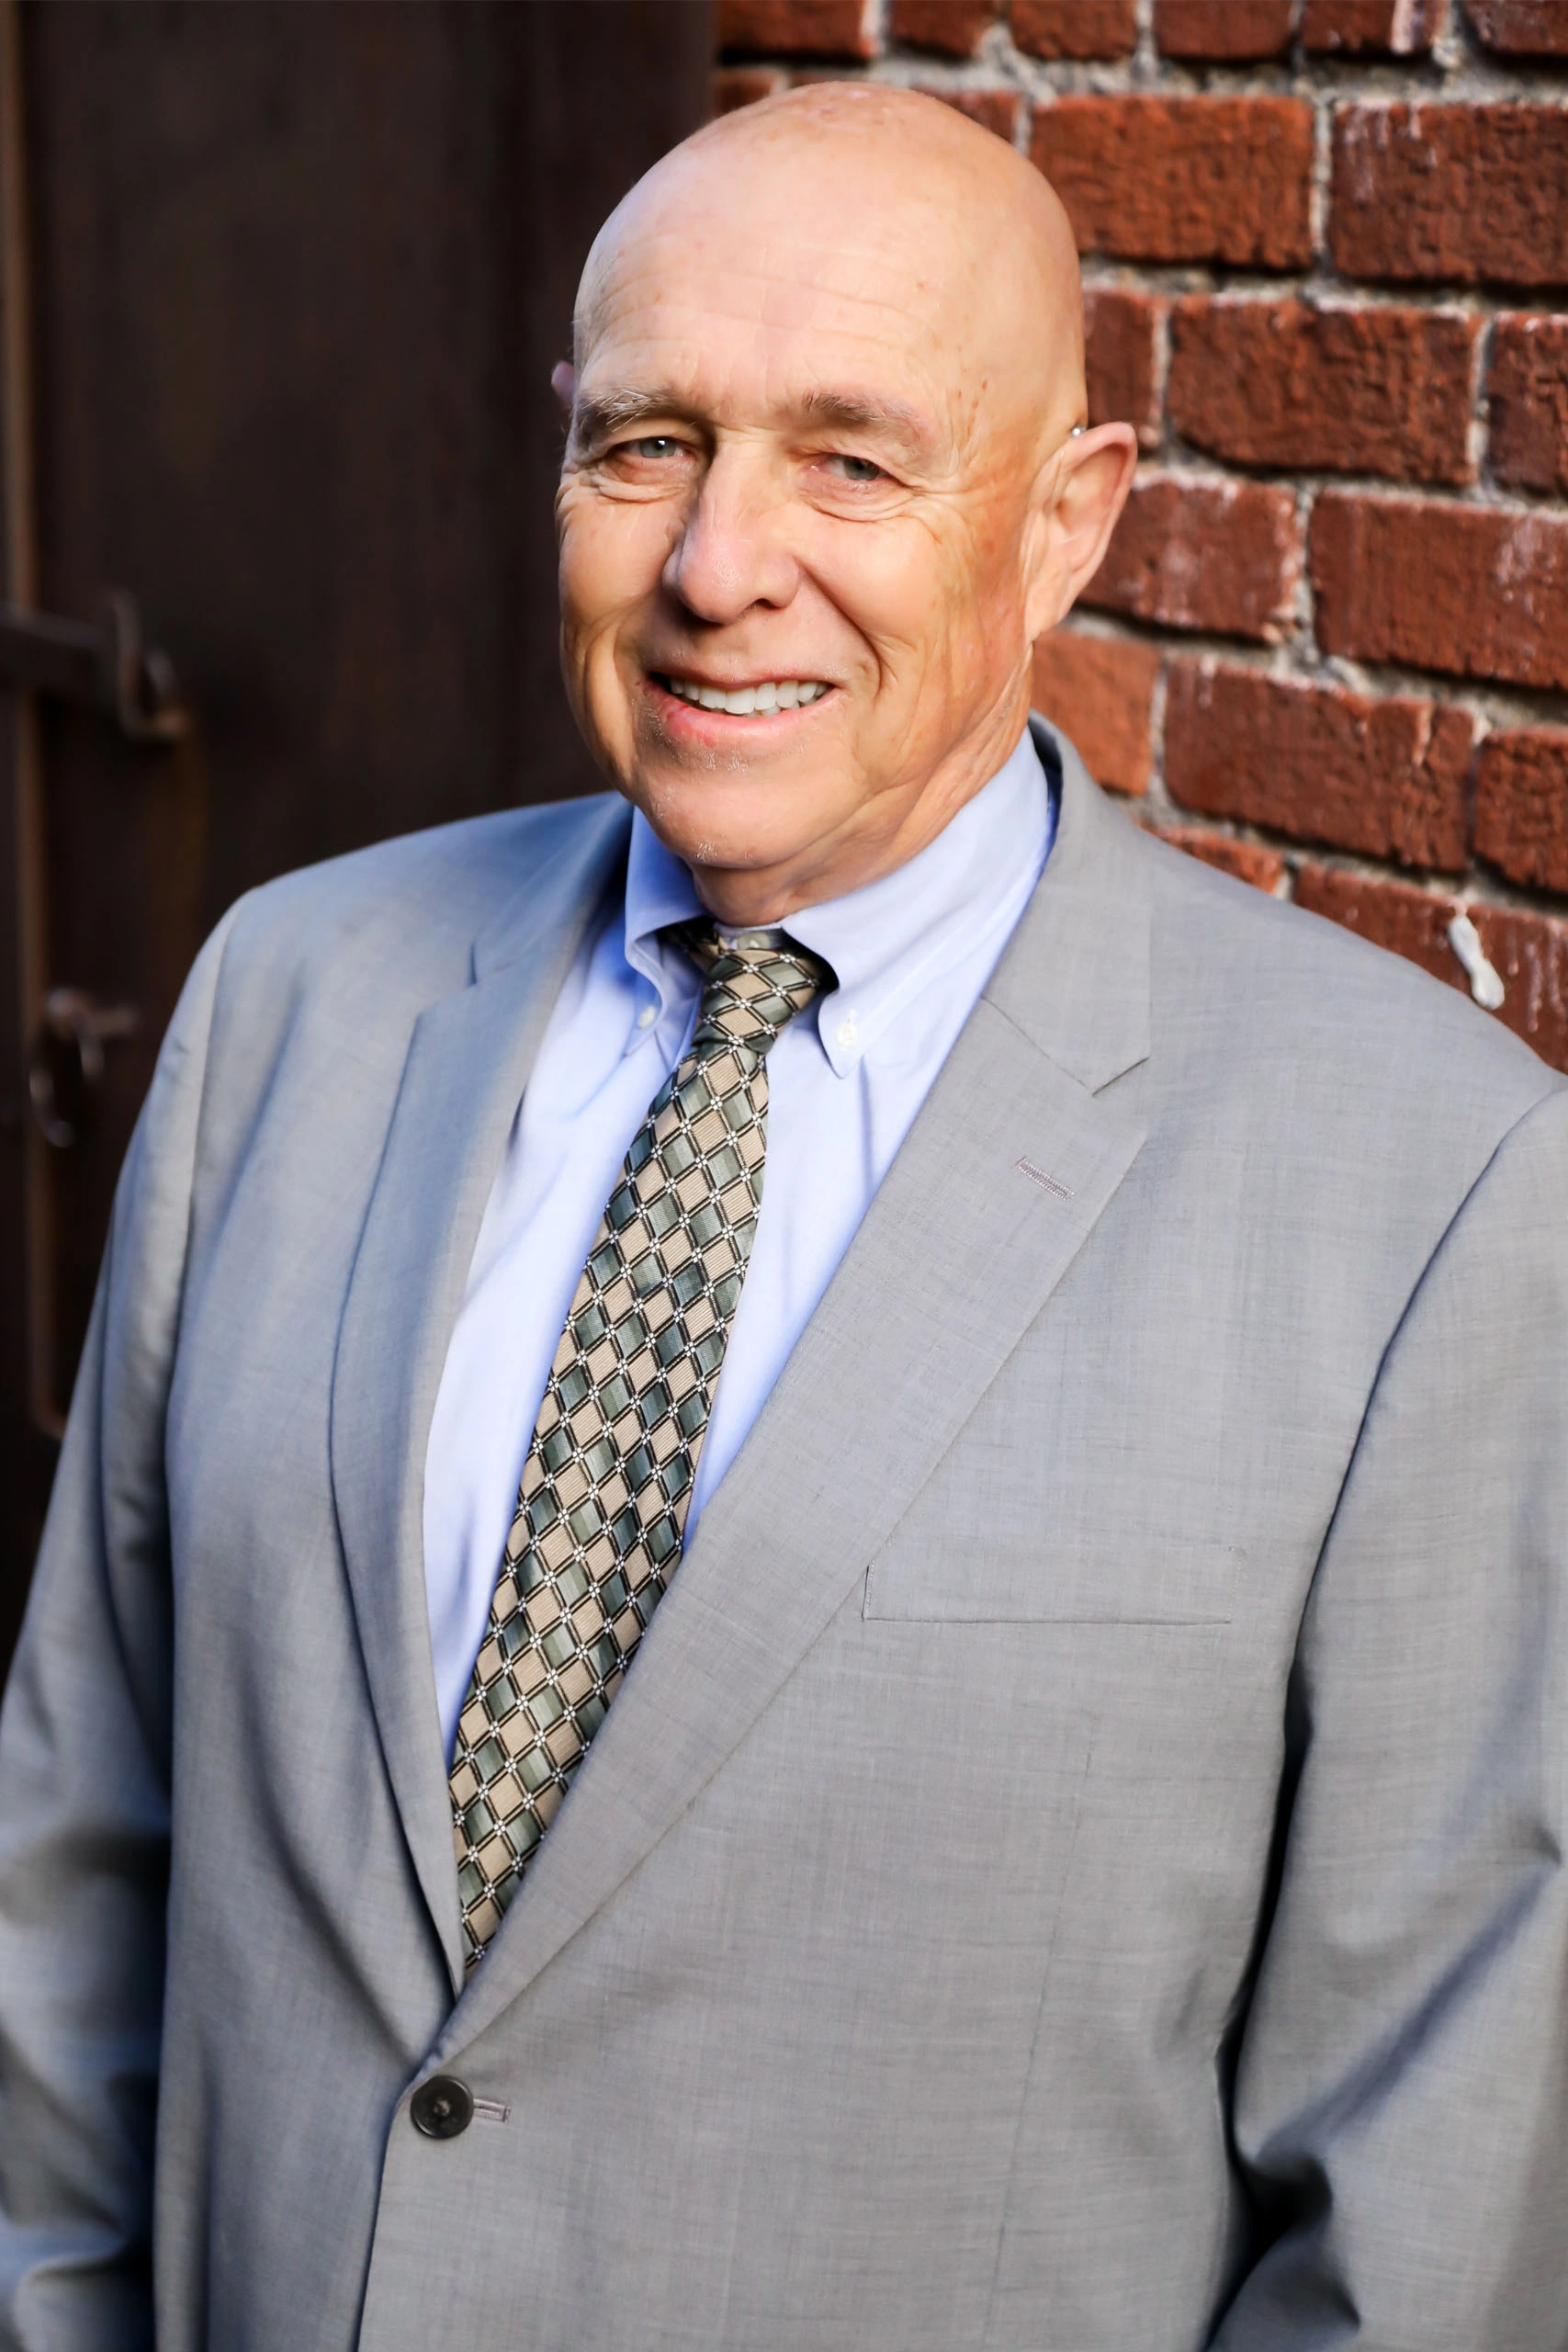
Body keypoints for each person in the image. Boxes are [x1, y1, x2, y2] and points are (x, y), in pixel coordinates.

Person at [1, 81, 1565, 2352]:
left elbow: (1423, 2214)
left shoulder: (1423, 1190)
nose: (720, 562)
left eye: (850, 456)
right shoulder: (291, 995)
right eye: (647, 442)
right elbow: (79, 1870)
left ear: (1062, 523)